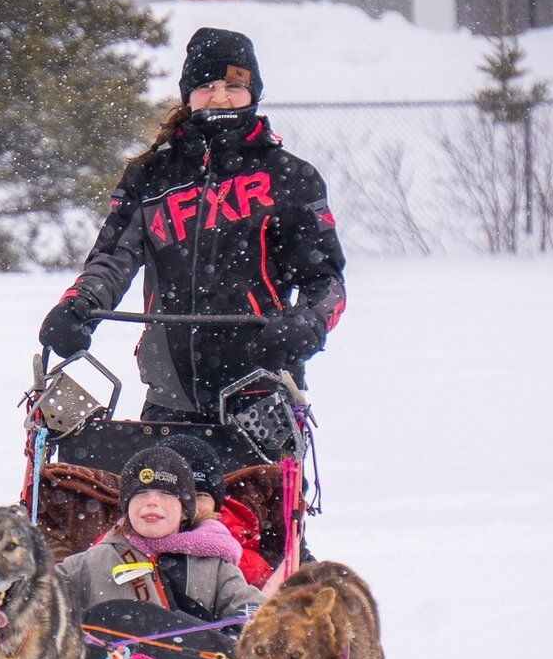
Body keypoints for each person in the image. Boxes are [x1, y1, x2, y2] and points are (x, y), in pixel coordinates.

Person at [39, 27, 348, 423]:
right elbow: (112, 261)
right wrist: (77, 307)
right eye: (207, 85)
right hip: (169, 394)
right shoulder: (150, 176)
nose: (220, 96)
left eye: (234, 84)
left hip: (261, 392)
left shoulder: (290, 177)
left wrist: (308, 322)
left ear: (254, 91)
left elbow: (326, 282)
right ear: (188, 94)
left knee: (253, 490)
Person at [57, 446, 263, 625]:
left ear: (185, 511)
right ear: (126, 507)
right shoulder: (90, 563)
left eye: (166, 494)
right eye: (140, 493)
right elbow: (39, 596)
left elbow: (254, 611)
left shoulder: (214, 566)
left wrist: (248, 629)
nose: (152, 502)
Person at [160, 432, 275, 590]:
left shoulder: (241, 560)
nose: (189, 505)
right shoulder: (125, 543)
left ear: (216, 504)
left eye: (200, 495)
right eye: (175, 495)